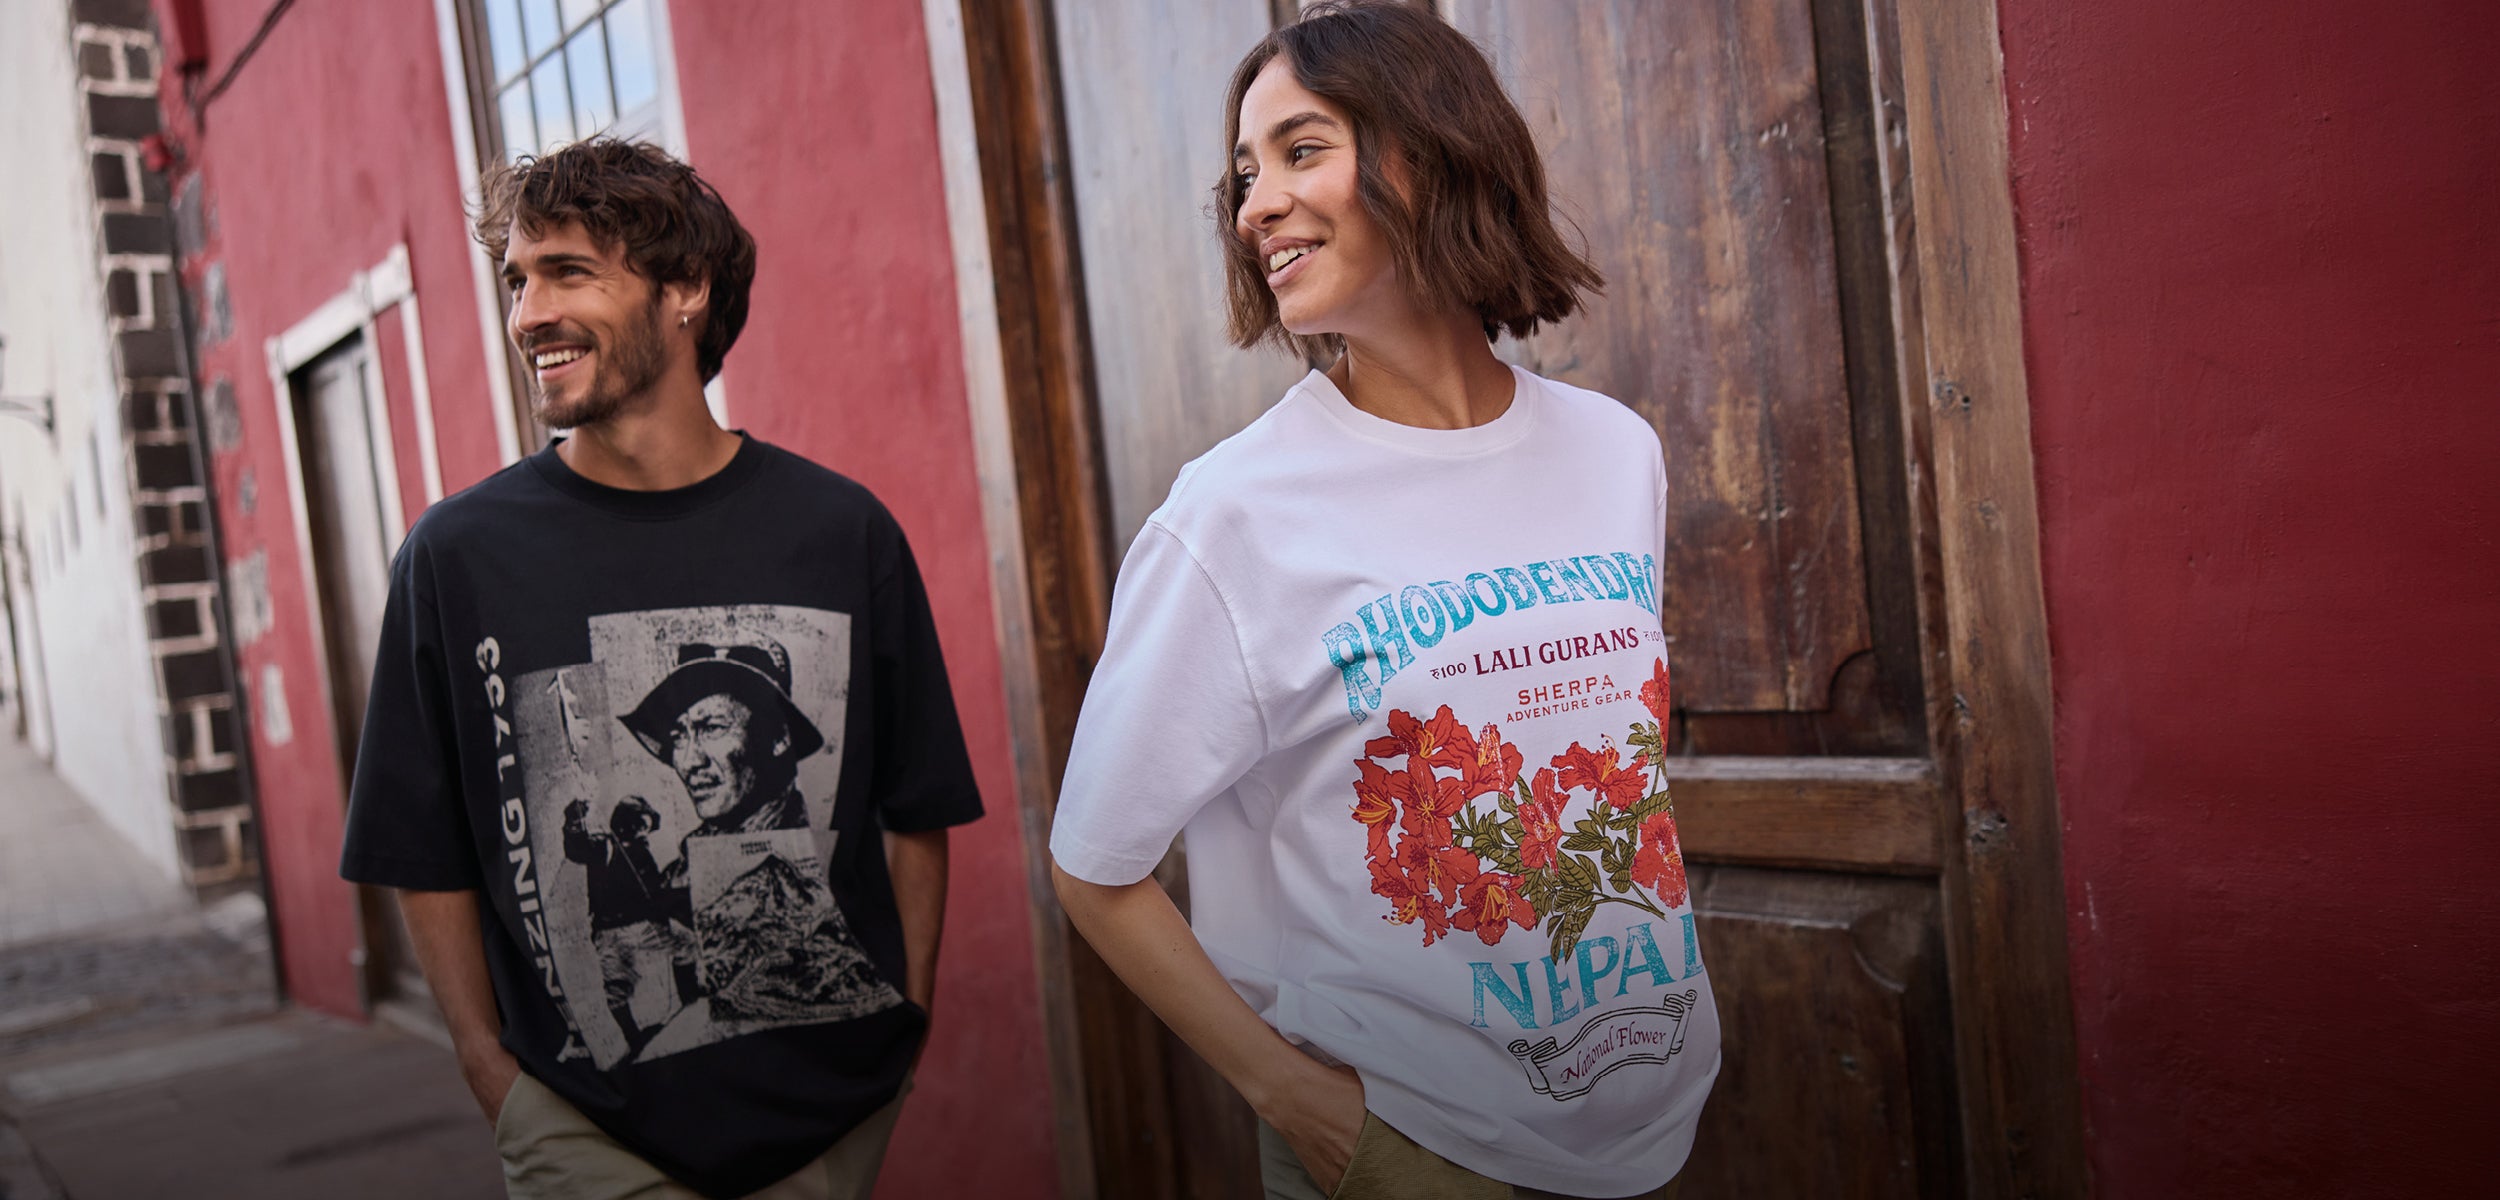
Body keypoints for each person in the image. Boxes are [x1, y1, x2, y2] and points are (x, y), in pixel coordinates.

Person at [1047, 5, 1720, 1198]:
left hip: (1652, 1117)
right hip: (1414, 1150)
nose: (1253, 205)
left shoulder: (1615, 452)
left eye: (1302, 151)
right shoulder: (1234, 516)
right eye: (1244, 174)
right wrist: (1300, 1107)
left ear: (1435, 149)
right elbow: (1096, 866)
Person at [340, 138, 983, 1200]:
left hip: (830, 1118)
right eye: (516, 279)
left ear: (685, 291)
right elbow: (422, 844)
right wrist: (489, 1071)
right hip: (586, 1131)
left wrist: (897, 1032)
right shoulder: (456, 558)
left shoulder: (840, 531)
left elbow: (917, 804)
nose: (526, 314)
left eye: (568, 273)